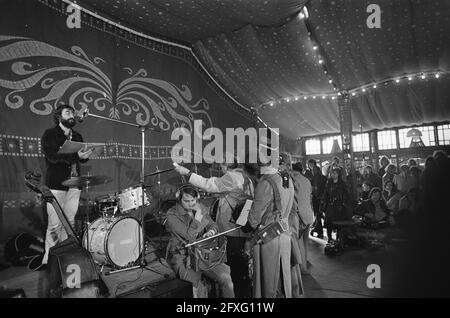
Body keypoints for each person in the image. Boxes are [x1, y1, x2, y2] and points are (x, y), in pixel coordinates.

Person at [172, 156, 255, 298]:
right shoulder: (246, 177)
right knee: (241, 273)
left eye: (221, 166)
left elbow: (208, 184)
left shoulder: (232, 176)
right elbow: (245, 202)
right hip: (241, 230)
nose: (221, 169)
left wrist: (187, 173)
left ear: (225, 165)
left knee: (236, 274)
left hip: (233, 233)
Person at [40, 104, 93, 265]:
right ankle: (48, 260)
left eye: (72, 112)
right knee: (55, 224)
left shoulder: (77, 136)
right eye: (67, 112)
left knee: (69, 222)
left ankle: (64, 257)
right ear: (59, 117)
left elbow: (80, 158)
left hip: (75, 183)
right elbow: (52, 158)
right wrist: (75, 156)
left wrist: (84, 156)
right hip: (57, 184)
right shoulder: (50, 134)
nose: (72, 114)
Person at [165, 185, 235, 298]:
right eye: (186, 201)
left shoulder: (199, 207)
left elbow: (213, 224)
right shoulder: (172, 214)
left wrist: (211, 232)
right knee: (195, 286)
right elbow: (189, 236)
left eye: (193, 200)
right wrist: (197, 218)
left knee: (226, 279)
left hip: (203, 253)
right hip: (184, 255)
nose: (191, 204)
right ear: (179, 199)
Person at [247, 156, 295, 298]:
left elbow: (253, 220)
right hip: (285, 232)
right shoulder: (286, 178)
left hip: (268, 238)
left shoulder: (265, 183)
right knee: (284, 279)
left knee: (268, 283)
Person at [320, 167, 350, 242]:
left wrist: (343, 203)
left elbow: (346, 194)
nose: (333, 174)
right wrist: (323, 204)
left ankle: (338, 239)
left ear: (338, 174)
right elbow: (325, 194)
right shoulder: (329, 183)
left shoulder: (342, 183)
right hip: (330, 205)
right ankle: (329, 238)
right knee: (329, 223)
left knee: (338, 224)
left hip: (339, 206)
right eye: (332, 173)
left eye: (335, 173)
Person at [310, 165, 327, 239]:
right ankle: (319, 230)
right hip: (321, 199)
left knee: (318, 215)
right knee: (318, 215)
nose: (312, 171)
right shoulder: (323, 177)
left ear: (317, 170)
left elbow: (314, 189)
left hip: (317, 199)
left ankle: (319, 230)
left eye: (313, 170)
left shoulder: (315, 178)